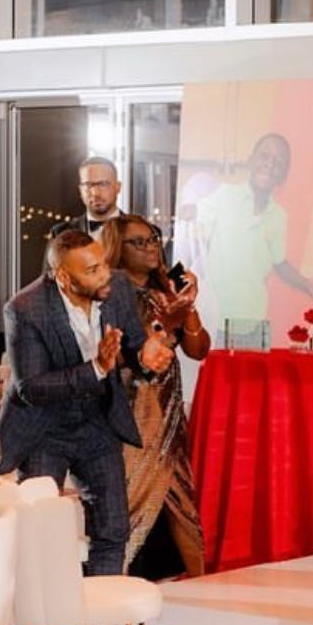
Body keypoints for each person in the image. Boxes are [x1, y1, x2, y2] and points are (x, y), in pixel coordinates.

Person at [0, 230, 174, 625]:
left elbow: (133, 348)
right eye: (91, 269)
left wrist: (146, 356)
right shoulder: (25, 309)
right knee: (40, 539)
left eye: (102, 263)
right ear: (63, 276)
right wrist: (96, 368)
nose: (104, 274)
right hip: (44, 427)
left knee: (113, 530)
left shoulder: (116, 290)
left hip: (96, 423)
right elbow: (31, 387)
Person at [100, 214, 209, 579]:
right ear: (117, 248)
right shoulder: (111, 295)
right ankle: (121, 578)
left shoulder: (167, 286)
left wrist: (187, 307)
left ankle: (190, 579)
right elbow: (124, 353)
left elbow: (198, 349)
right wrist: (167, 322)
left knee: (178, 494)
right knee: (136, 493)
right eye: (139, 242)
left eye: (153, 239)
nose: (151, 248)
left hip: (167, 408)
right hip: (131, 407)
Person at [192, 133, 313, 331]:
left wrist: (310, 289)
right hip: (214, 321)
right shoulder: (224, 195)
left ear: (283, 176)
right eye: (264, 156)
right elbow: (192, 235)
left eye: (278, 163)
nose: (270, 165)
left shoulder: (279, 216)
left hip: (254, 323)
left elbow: (280, 264)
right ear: (250, 160)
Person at [52, 156, 123, 241]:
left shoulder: (136, 230)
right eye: (88, 185)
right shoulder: (61, 233)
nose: (95, 193)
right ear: (80, 190)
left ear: (118, 187)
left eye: (103, 184)